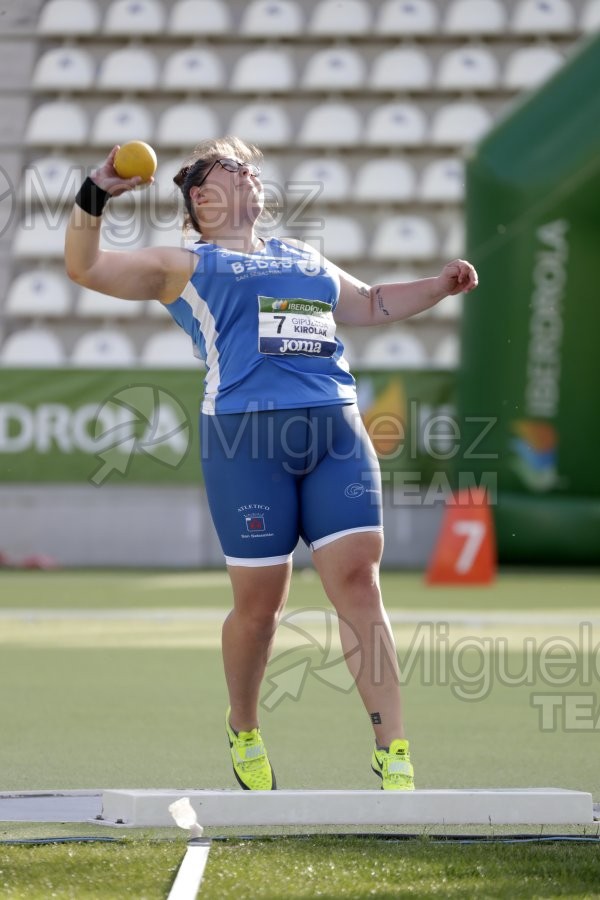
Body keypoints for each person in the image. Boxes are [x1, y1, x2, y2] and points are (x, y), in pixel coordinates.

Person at [65, 136, 478, 792]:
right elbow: (85, 269)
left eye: (251, 167)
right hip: (244, 444)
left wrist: (439, 285)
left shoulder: (303, 256)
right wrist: (97, 191)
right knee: (261, 609)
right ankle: (245, 725)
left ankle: (392, 748)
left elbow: (370, 303)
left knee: (359, 581)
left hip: (336, 434)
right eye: (234, 168)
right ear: (202, 198)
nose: (251, 173)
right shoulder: (183, 264)